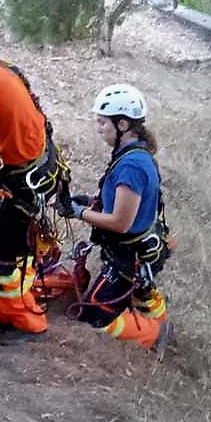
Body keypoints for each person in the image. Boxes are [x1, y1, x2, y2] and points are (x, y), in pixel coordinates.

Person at [59, 84, 171, 351]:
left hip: (128, 256)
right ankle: (148, 303)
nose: (99, 128)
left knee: (94, 316)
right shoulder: (132, 155)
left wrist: (80, 213)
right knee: (119, 294)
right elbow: (120, 205)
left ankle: (156, 334)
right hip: (134, 251)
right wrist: (89, 203)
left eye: (102, 122)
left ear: (122, 125)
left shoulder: (132, 165)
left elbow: (121, 223)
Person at [0, 51, 61, 342]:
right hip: (41, 168)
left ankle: (26, 323)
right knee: (9, 249)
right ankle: (14, 309)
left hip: (23, 180)